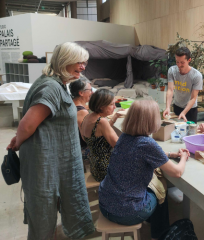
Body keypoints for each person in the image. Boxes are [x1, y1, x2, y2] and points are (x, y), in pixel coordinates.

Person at [6, 42, 95, 239]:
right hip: (44, 164)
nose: (83, 66)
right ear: (65, 61)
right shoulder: (50, 87)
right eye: (79, 62)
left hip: (54, 161)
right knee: (43, 217)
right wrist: (17, 142)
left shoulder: (58, 84)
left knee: (49, 213)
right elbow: (27, 125)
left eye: (84, 63)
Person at [99, 99, 190, 240]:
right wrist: (183, 157)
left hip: (106, 204)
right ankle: (160, 235)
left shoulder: (124, 136)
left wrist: (171, 154)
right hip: (127, 213)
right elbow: (177, 172)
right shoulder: (147, 143)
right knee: (160, 190)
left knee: (152, 187)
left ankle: (152, 222)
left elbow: (146, 154)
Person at [81, 89, 124, 182]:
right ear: (101, 107)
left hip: (95, 166)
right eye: (112, 104)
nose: (114, 107)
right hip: (105, 169)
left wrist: (115, 117)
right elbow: (118, 146)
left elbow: (100, 132)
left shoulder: (88, 116)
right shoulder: (101, 121)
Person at [163, 47, 203, 123]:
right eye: (177, 62)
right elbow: (170, 90)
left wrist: (184, 112)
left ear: (189, 60)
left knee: (190, 132)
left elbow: (193, 98)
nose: (179, 65)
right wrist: (167, 107)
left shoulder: (197, 75)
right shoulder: (172, 70)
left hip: (190, 109)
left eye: (182, 62)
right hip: (177, 106)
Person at [69, 77, 93, 169]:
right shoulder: (82, 112)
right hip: (80, 150)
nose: (91, 92)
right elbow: (86, 137)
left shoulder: (72, 103)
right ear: (81, 93)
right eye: (90, 90)